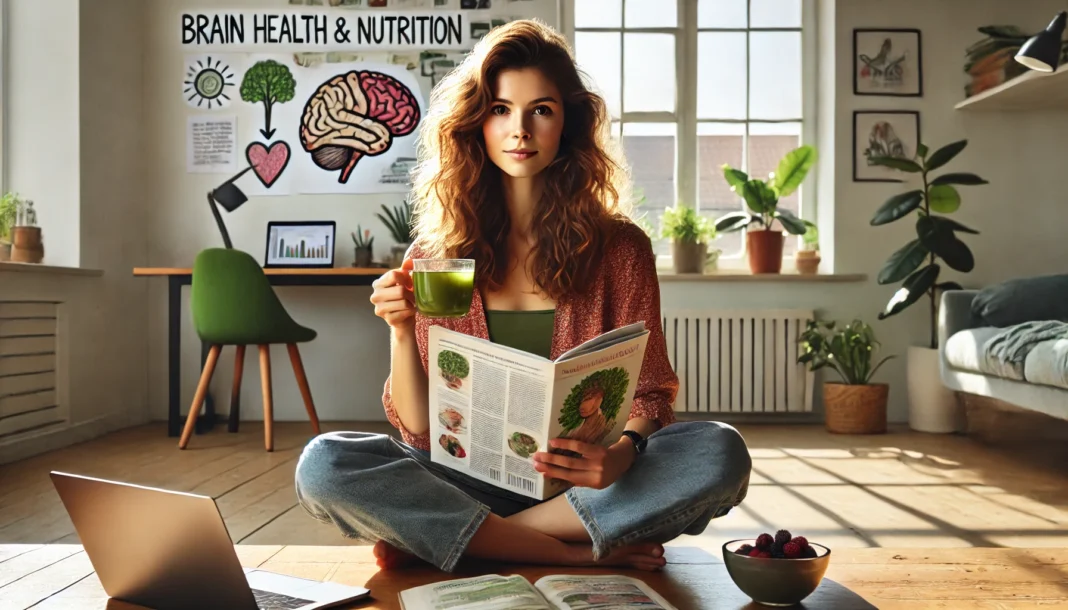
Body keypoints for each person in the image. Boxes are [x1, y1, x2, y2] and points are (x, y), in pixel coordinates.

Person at [294, 19, 752, 574]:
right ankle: (571, 554)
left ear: (567, 122)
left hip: (580, 489)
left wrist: (619, 455)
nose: (520, 130)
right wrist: (398, 329)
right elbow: (417, 429)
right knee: (324, 464)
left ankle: (464, 540)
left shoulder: (620, 249)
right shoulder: (436, 250)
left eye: (541, 110)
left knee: (717, 451)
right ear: (475, 123)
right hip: (461, 479)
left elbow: (650, 393)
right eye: (500, 110)